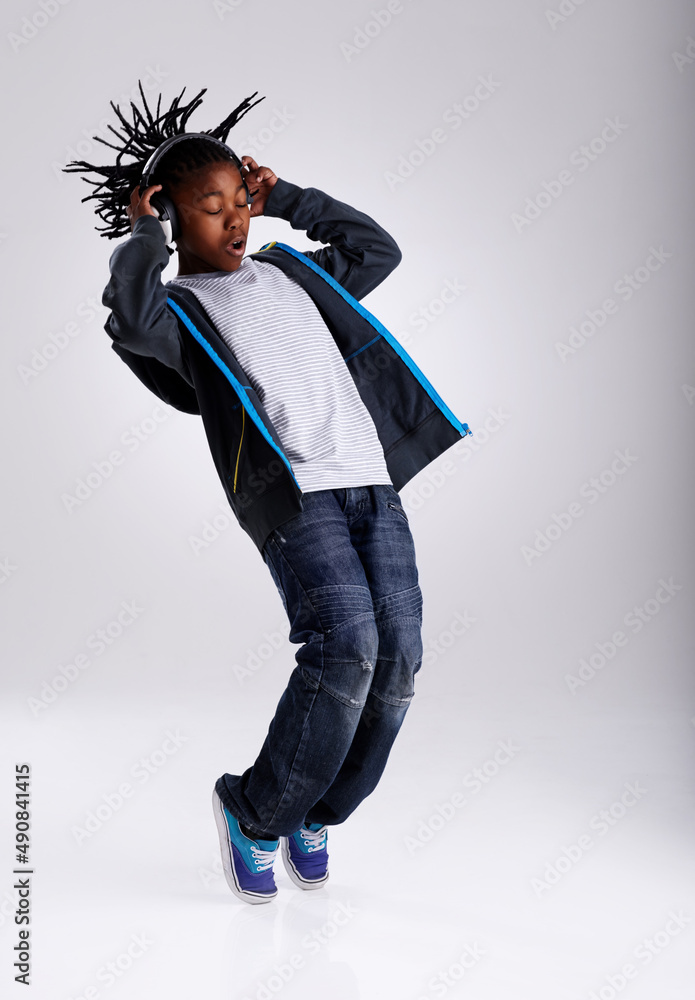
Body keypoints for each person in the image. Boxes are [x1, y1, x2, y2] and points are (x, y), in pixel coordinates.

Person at [64, 84, 471, 905]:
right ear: (174, 220)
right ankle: (254, 812)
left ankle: (316, 810)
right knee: (344, 648)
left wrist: (287, 197)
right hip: (297, 501)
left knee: (397, 662)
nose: (234, 220)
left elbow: (376, 249)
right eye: (208, 208)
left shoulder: (295, 273)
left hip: (370, 486)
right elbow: (130, 320)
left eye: (238, 201)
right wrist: (142, 234)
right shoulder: (181, 310)